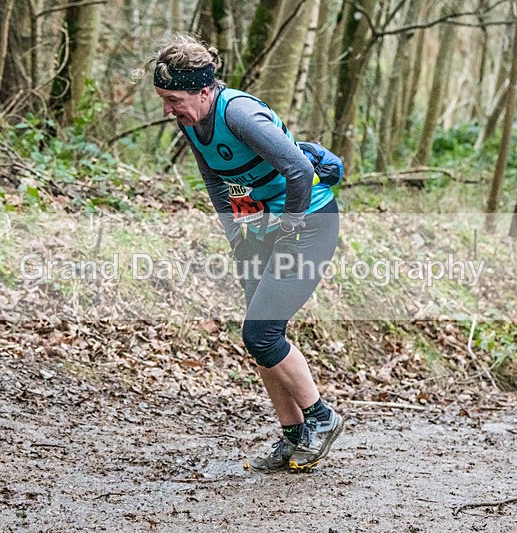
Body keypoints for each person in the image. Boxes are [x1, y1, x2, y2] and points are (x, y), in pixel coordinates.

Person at [147, 34, 342, 472]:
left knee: (261, 333)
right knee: (260, 339)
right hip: (260, 228)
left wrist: (287, 228)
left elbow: (299, 170)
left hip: (309, 222)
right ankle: (294, 436)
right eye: (163, 100)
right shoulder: (192, 122)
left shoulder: (239, 113)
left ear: (204, 91)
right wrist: (236, 234)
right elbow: (214, 180)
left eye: (173, 100)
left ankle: (322, 419)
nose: (167, 110)